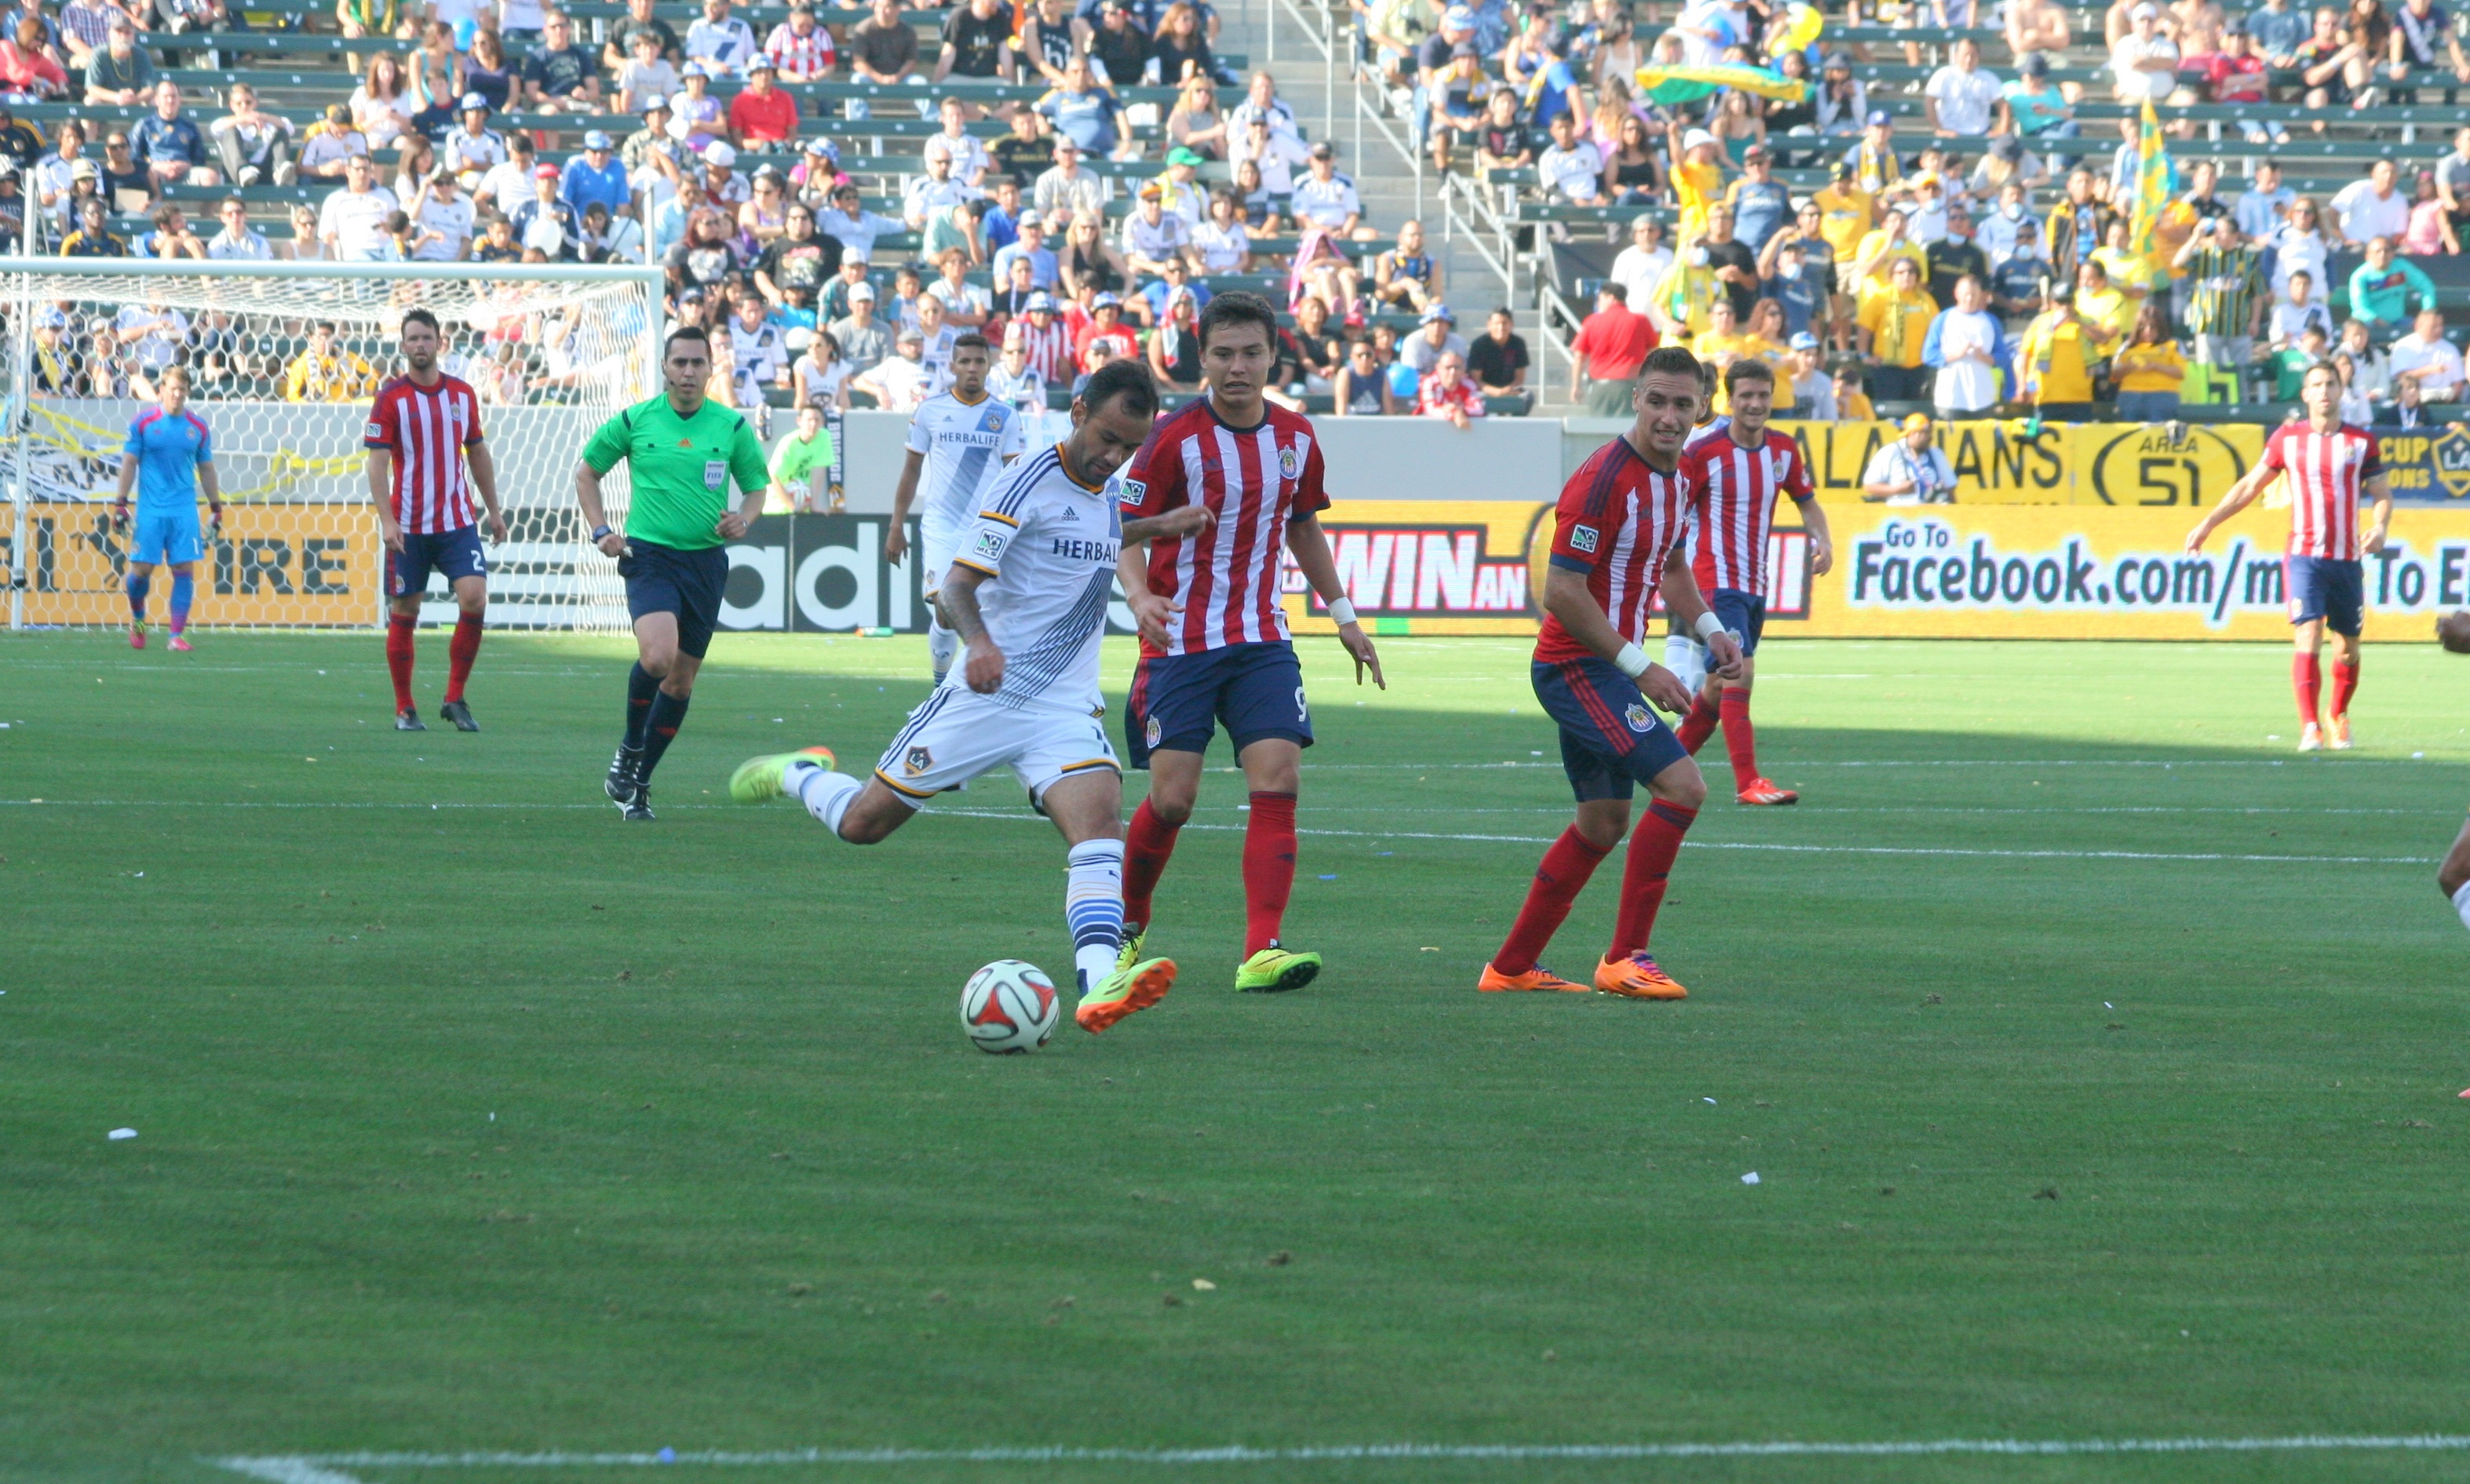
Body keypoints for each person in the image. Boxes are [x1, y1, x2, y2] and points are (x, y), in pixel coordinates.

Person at [724, 360, 1199, 1034]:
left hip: (1062, 706)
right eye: (1106, 437)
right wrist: (977, 643)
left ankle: (1099, 984)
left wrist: (1156, 524)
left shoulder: (1108, 490)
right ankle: (799, 773)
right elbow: (954, 585)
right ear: (1078, 412)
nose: (1113, 456)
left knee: (1098, 829)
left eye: (1128, 445)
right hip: (984, 695)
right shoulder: (1025, 480)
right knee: (863, 824)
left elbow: (1090, 537)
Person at [1115, 291, 1385, 997]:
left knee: (1279, 778)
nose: (1237, 367)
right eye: (1224, 354)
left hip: (1262, 638)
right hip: (1180, 642)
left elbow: (1302, 526)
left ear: (1272, 356)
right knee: (1173, 799)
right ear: (1201, 359)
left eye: (1251, 353)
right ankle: (1126, 923)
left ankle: (1261, 948)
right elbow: (1124, 529)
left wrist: (1344, 616)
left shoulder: (1296, 437)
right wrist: (1139, 597)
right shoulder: (1171, 439)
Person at [1474, 345, 1742, 1000]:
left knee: (1602, 822)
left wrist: (1710, 629)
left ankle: (1509, 968)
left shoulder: (1680, 476)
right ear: (1636, 399)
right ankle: (1624, 957)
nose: (1668, 416)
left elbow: (1670, 566)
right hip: (1576, 665)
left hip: (1607, 668)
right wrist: (1640, 667)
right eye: (1657, 401)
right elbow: (1560, 590)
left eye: (1682, 404)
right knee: (1682, 787)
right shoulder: (1602, 479)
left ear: (1702, 408)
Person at [577, 324, 786, 821]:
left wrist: (745, 518)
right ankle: (630, 747)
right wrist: (601, 530)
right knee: (658, 657)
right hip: (649, 557)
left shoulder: (730, 427)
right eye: (680, 362)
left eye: (697, 362)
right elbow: (587, 472)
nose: (688, 371)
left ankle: (640, 783)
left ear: (711, 369)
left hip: (706, 563)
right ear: (665, 368)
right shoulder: (636, 419)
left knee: (680, 684)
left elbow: (756, 488)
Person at [2185, 361, 2392, 752]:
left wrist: (2380, 527)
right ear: (2306, 393)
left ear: (2340, 390)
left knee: (2348, 648)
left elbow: (2381, 494)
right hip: (2304, 557)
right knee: (2308, 632)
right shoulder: (2287, 439)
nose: (2324, 391)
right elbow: (2250, 486)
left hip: (2347, 559)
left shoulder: (2362, 441)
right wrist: (2209, 523)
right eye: (2317, 384)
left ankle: (2338, 714)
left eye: (2331, 383)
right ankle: (2310, 726)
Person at [1669, 358, 1833, 808]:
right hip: (1715, 583)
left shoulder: (1783, 450)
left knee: (1715, 688)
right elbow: (1675, 508)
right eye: (1746, 396)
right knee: (1739, 674)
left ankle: (1660, 766)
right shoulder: (1705, 452)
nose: (1755, 404)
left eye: (1763, 395)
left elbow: (1807, 502)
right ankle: (1749, 782)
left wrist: (1823, 539)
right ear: (1730, 399)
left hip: (1755, 586)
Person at [364, 308, 505, 732]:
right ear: (403, 346)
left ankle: (454, 698)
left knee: (474, 598)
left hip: (457, 522)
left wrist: (494, 509)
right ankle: (405, 707)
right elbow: (377, 464)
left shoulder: (462, 394)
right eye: (413, 339)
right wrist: (387, 521)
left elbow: (477, 452)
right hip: (408, 526)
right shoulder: (390, 397)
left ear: (439, 342)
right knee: (406, 609)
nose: (420, 345)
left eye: (427, 337)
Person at [884, 333, 1027, 686]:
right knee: (946, 609)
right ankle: (940, 688)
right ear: (952, 366)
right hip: (942, 527)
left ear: (989, 367)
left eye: (979, 361)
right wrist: (896, 526)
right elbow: (911, 471)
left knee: (984, 614)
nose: (972, 368)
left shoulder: (1005, 416)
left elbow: (1016, 477)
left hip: (987, 528)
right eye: (965, 362)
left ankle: (968, 690)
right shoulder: (930, 411)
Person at [112, 365, 219, 652]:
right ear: (162, 390)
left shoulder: (197, 427)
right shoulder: (143, 422)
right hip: (151, 509)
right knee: (141, 570)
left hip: (184, 508)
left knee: (184, 567)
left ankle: (176, 636)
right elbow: (129, 463)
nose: (177, 394)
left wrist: (216, 508)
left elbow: (206, 468)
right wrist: (121, 503)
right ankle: (138, 619)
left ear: (188, 392)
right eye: (172, 389)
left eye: (182, 390)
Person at [1922, 274, 2008, 416]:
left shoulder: (1991, 321)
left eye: (1974, 295)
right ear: (1956, 294)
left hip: (1983, 398)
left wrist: (1985, 358)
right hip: (1950, 398)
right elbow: (1928, 355)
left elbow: (2003, 356)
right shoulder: (1943, 319)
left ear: (1980, 295)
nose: (1969, 299)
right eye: (1966, 294)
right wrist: (1957, 355)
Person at [1570, 283, 1658, 417]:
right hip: (1630, 386)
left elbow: (1579, 357)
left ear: (1611, 298)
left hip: (1601, 387)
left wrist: (1576, 386)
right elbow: (1654, 353)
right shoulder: (1640, 321)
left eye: (1600, 299)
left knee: (1599, 428)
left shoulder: (1592, 321)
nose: (1598, 304)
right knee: (1628, 428)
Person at [2112, 301, 2189, 419]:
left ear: (2160, 327)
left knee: (2157, 428)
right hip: (2130, 395)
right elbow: (2115, 375)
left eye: (2153, 327)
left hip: (2162, 394)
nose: (2147, 331)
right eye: (2142, 327)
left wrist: (2156, 366)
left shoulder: (2173, 344)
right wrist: (2129, 367)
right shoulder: (2127, 347)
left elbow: (2180, 373)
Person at [2347, 236, 2438, 335]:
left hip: (2399, 321)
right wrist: (2377, 320)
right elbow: (2359, 308)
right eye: (2378, 252)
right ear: (2368, 256)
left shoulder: (2402, 267)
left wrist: (2427, 312)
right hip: (2369, 323)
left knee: (2424, 329)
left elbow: (2426, 286)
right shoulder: (2359, 277)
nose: (2383, 255)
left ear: (2393, 254)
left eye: (2387, 251)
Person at [1862, 412, 1958, 501]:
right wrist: (1897, 490)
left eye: (1930, 433)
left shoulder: (1936, 453)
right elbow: (1869, 486)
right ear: (1912, 433)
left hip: (1932, 512)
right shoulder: (1891, 451)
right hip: (1899, 512)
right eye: (1925, 433)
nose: (1930, 438)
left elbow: (1950, 488)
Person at [769, 400, 836, 512]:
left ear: (822, 422)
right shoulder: (789, 443)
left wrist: (814, 506)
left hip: (803, 506)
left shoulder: (824, 437)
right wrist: (793, 506)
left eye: (817, 420)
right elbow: (772, 477)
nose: (813, 424)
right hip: (777, 508)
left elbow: (818, 471)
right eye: (809, 420)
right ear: (799, 421)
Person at [2390, 308, 2465, 403]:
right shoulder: (2403, 346)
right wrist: (2428, 370)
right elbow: (2402, 377)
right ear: (2418, 326)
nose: (2439, 330)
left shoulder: (2450, 349)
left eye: (2441, 325)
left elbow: (2458, 383)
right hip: (2413, 401)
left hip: (2445, 401)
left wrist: (2446, 402)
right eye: (2433, 326)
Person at [1468, 306, 1529, 399]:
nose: (1501, 328)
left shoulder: (1518, 343)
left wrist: (1506, 391)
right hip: (1484, 391)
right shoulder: (1478, 345)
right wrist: (1497, 392)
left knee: (1528, 397)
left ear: (1512, 324)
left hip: (1510, 389)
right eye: (1497, 324)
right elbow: (1476, 380)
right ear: (1489, 325)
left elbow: (1519, 378)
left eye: (1505, 323)